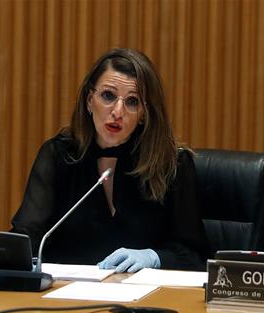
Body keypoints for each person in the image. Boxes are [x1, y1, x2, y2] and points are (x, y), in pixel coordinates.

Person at [11, 48, 207, 272]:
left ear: (143, 114)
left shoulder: (172, 165)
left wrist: (155, 258)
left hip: (147, 301)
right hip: (66, 296)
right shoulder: (59, 156)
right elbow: (26, 238)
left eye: (132, 102)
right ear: (89, 101)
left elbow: (196, 258)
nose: (118, 111)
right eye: (108, 96)